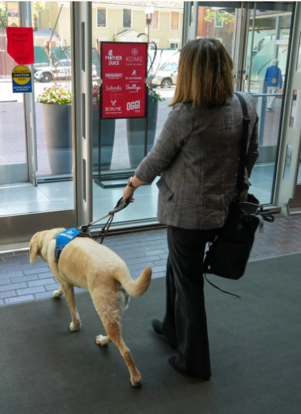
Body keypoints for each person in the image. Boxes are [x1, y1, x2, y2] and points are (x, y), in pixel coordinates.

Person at [122, 38, 259, 379]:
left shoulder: (185, 115)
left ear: (188, 73)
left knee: (189, 284)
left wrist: (132, 185)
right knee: (179, 269)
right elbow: (252, 154)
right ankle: (172, 328)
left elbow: (157, 160)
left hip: (187, 216)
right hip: (226, 211)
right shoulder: (245, 105)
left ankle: (194, 362)